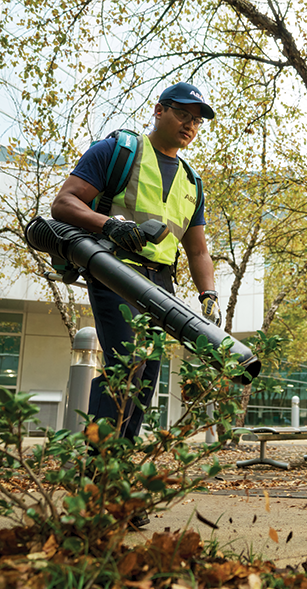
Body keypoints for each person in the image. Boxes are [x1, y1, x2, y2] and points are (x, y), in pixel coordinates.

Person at [51, 81, 222, 445]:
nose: (190, 124)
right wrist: (109, 225)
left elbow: (198, 251)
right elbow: (64, 203)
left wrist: (208, 294)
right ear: (159, 110)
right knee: (128, 365)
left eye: (197, 120)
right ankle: (98, 462)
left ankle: (120, 459)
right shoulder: (117, 151)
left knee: (146, 377)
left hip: (162, 283)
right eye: (182, 114)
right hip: (115, 268)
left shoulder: (192, 182)